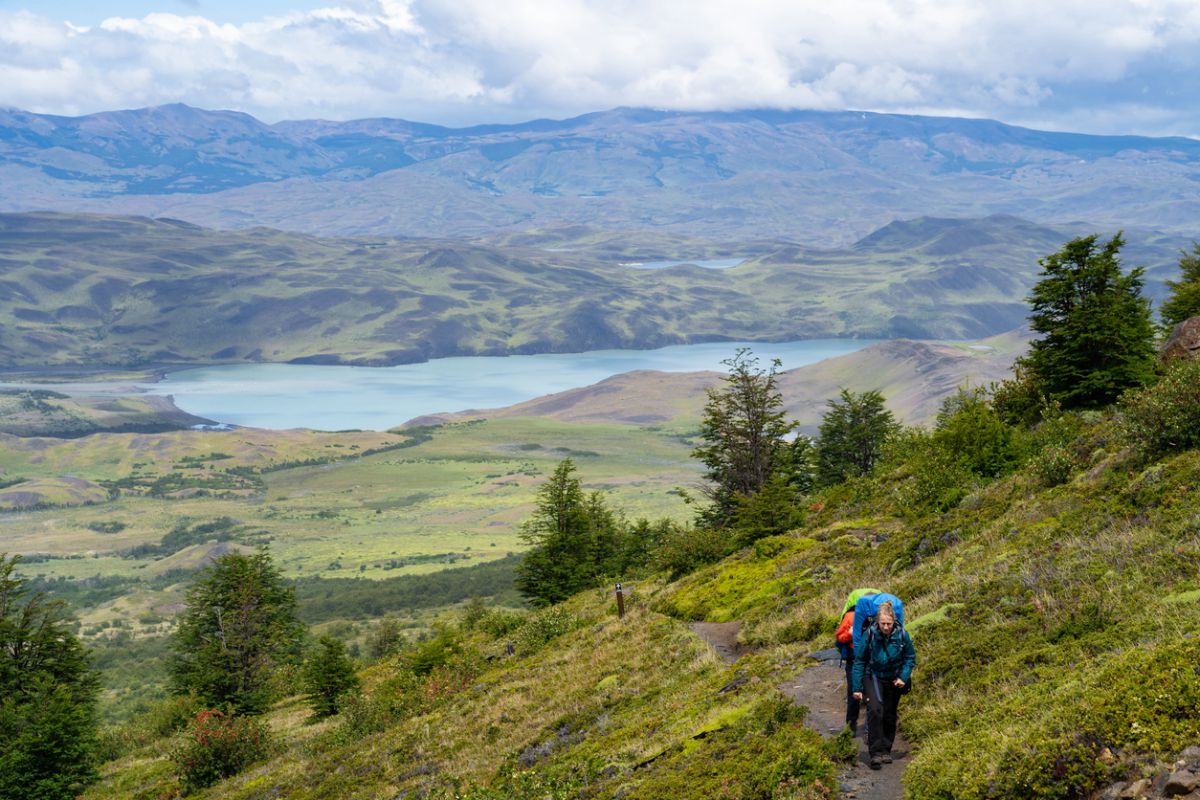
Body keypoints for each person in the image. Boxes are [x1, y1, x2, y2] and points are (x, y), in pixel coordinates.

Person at [851, 601, 915, 770]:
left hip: (894, 679)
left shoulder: (902, 634)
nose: (886, 627)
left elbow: (910, 657)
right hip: (873, 676)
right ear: (877, 622)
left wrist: (903, 676)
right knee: (875, 710)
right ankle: (875, 753)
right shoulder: (870, 634)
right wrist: (856, 688)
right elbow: (859, 661)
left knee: (889, 713)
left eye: (889, 623)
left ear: (894, 621)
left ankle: (886, 750)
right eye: (883, 623)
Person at [835, 587, 880, 736]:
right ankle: (851, 725)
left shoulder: (879, 616)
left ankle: (870, 727)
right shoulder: (850, 616)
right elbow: (839, 637)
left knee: (871, 694)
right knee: (853, 693)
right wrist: (849, 633)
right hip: (854, 661)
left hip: (872, 661)